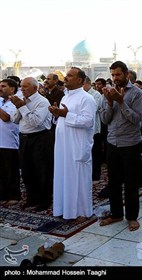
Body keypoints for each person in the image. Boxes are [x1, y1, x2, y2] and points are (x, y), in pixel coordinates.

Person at [98, 61, 142, 231]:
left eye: (118, 74)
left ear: (126, 74)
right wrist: (110, 103)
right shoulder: (107, 93)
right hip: (112, 142)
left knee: (131, 182)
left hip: (130, 143)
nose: (115, 78)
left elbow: (136, 119)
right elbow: (104, 120)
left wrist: (121, 102)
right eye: (112, 75)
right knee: (114, 181)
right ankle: (116, 214)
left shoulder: (137, 93)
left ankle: (132, 217)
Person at [49, 67, 97, 221]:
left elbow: (89, 121)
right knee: (63, 176)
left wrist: (65, 114)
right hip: (64, 145)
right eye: (66, 75)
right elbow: (63, 118)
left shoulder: (86, 98)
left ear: (80, 80)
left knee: (79, 179)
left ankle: (82, 212)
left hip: (77, 145)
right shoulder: (65, 96)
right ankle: (64, 209)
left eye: (70, 75)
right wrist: (57, 114)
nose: (66, 78)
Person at [10, 77, 53, 211]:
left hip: (40, 138)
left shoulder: (42, 102)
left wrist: (22, 107)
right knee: (27, 170)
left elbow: (36, 122)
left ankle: (44, 200)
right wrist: (19, 106)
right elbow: (14, 120)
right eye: (21, 86)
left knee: (42, 170)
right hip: (24, 138)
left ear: (35, 88)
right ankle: (31, 198)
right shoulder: (21, 100)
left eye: (26, 86)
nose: (22, 89)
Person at [0, 79, 21, 206]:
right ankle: (2, 194)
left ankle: (14, 195)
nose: (0, 88)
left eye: (3, 86)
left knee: (11, 171)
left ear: (12, 89)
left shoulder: (15, 102)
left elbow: (6, 117)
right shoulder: (1, 102)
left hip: (10, 143)